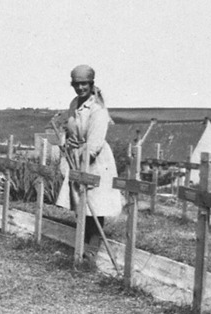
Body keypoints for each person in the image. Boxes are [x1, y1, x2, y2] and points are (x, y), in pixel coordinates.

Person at [55, 64, 125, 255]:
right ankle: (81, 245)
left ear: (91, 84)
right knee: (80, 204)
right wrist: (66, 145)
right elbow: (70, 130)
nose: (80, 88)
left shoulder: (98, 110)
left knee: (95, 205)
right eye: (76, 84)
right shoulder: (74, 104)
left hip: (96, 162)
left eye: (84, 84)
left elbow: (94, 145)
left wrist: (80, 160)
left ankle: (92, 250)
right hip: (76, 155)